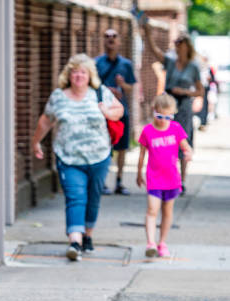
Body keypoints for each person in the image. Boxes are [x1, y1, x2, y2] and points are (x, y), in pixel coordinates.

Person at [31, 54, 124, 261]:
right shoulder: (58, 96)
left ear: (90, 75)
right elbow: (46, 120)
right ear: (69, 75)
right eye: (75, 71)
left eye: (83, 72)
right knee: (75, 198)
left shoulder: (100, 93)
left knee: (93, 198)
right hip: (69, 158)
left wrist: (108, 112)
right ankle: (75, 241)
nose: (79, 75)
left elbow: (119, 110)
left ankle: (87, 234)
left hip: (99, 157)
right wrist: (36, 141)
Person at [143, 26, 203, 195]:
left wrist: (185, 92)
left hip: (183, 105)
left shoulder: (193, 66)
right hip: (168, 104)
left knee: (183, 141)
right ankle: (167, 177)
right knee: (165, 139)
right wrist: (147, 32)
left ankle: (182, 180)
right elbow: (154, 51)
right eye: (176, 43)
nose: (177, 45)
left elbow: (200, 91)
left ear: (186, 45)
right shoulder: (169, 61)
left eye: (180, 43)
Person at [136, 93, 192, 258]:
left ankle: (162, 243)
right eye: (159, 116)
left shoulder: (175, 129)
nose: (163, 120)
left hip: (172, 178)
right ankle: (150, 243)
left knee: (167, 212)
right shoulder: (148, 131)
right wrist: (139, 173)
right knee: (152, 210)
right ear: (154, 111)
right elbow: (141, 155)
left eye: (168, 116)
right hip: (154, 178)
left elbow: (186, 147)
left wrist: (189, 154)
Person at [95, 28, 137, 196]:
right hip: (103, 113)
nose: (110, 39)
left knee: (122, 147)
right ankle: (103, 181)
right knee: (104, 146)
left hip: (121, 112)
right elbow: (92, 87)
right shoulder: (96, 63)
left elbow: (131, 87)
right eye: (107, 36)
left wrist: (123, 85)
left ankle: (119, 181)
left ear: (119, 41)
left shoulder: (126, 64)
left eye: (114, 36)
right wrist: (107, 90)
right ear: (103, 41)